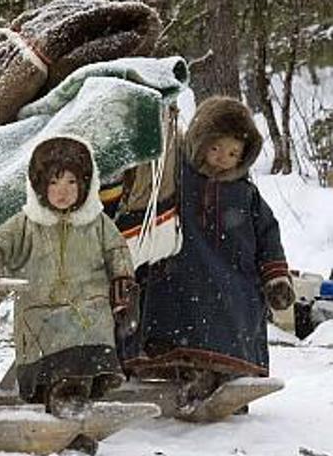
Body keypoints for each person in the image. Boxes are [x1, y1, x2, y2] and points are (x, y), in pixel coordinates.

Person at [123, 96, 295, 410]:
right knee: (172, 290)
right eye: (215, 148)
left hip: (234, 275)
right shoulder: (174, 178)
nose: (221, 159)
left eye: (233, 153)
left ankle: (224, 373)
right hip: (177, 267)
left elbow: (268, 235)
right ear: (199, 140)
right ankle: (185, 367)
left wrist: (276, 278)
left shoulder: (246, 194)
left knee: (232, 298)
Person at [0, 135, 137, 452]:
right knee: (59, 367)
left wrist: (123, 282)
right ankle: (65, 414)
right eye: (54, 182)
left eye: (72, 182)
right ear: (38, 185)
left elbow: (118, 252)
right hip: (42, 310)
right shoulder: (27, 224)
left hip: (90, 309)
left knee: (85, 363)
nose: (63, 191)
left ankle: (72, 422)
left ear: (86, 185)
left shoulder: (97, 223)